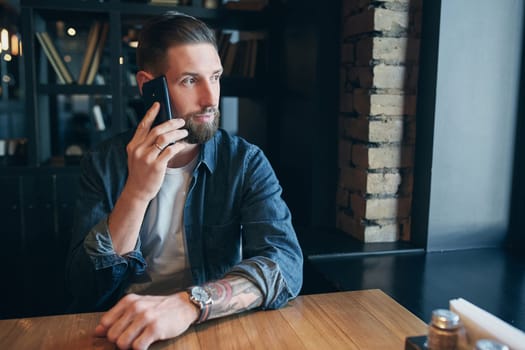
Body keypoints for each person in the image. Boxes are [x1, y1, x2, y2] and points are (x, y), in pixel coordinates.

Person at [65, 11, 303, 350]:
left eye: (216, 77)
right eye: (190, 80)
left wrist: (192, 303)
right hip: (123, 333)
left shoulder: (244, 162)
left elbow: (284, 266)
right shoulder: (103, 163)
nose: (210, 98)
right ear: (149, 86)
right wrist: (136, 192)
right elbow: (85, 289)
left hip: (209, 328)